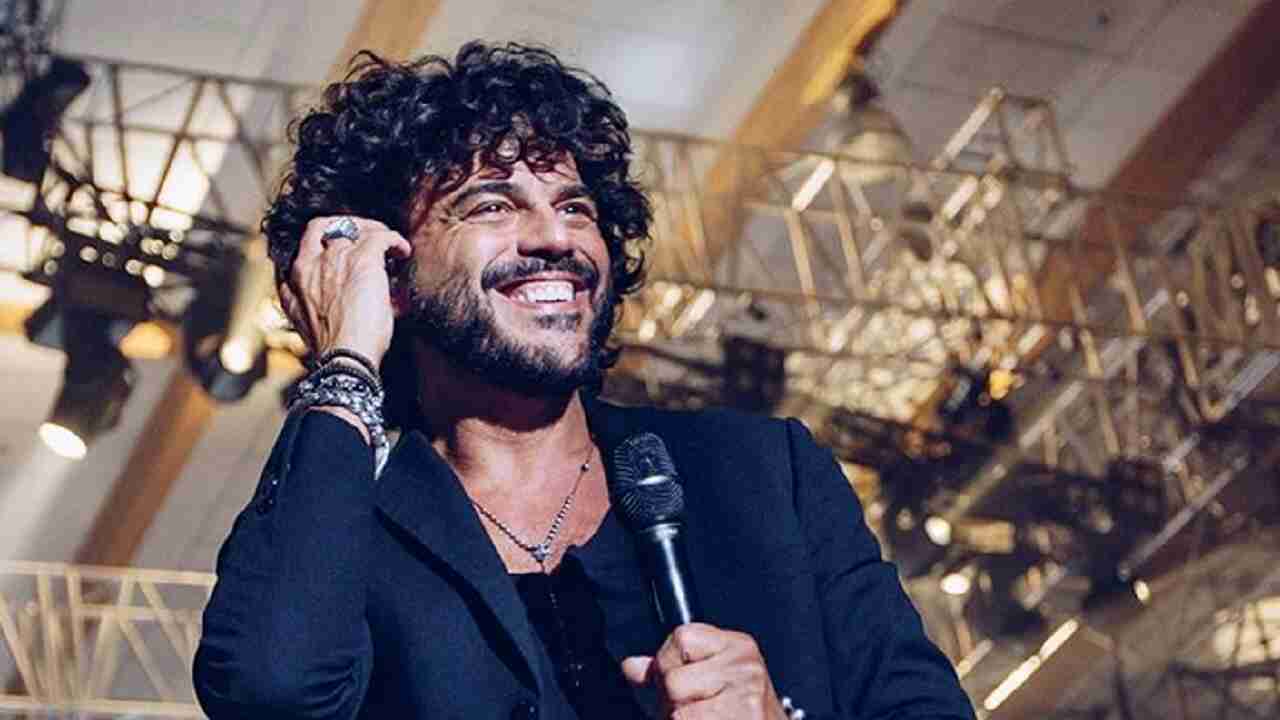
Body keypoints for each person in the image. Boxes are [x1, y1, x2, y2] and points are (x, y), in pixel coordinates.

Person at [192, 42, 975, 720]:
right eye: (491, 206)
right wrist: (347, 358)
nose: (555, 237)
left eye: (575, 206)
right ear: (393, 274)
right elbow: (271, 690)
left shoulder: (765, 472)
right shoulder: (344, 531)